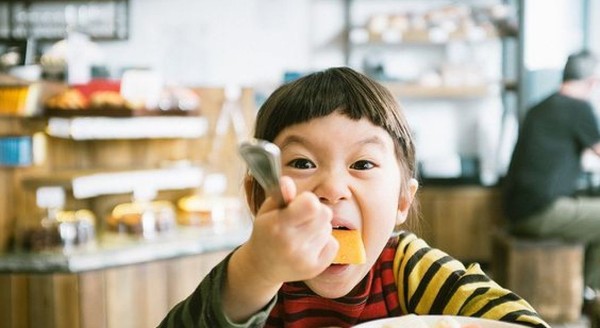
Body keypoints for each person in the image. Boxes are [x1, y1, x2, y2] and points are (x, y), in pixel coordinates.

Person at [160, 67, 548, 327]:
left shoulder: (408, 271)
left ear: (402, 201)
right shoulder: (255, 277)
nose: (331, 189)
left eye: (362, 164)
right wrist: (257, 271)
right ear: (259, 197)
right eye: (302, 162)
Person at [503, 50, 600, 295]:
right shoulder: (579, 107)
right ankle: (591, 295)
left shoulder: (540, 108)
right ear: (592, 81)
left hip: (516, 210)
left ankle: (587, 290)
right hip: (539, 213)